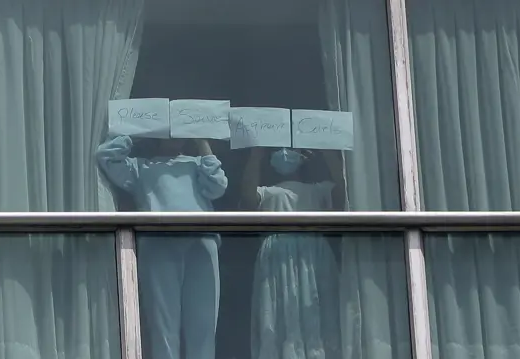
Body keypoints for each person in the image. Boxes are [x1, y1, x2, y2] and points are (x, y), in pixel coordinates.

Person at [96, 133, 228, 359]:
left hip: (201, 240)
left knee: (203, 326)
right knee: (163, 325)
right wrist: (135, 133)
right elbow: (106, 156)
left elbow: (218, 186)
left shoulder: (195, 164)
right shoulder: (140, 167)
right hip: (159, 242)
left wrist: (201, 141)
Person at [241, 147, 345, 359]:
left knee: (316, 311)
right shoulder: (267, 192)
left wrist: (325, 151)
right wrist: (257, 154)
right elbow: (247, 195)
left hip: (312, 255)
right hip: (279, 256)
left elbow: (344, 188)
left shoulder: (318, 190)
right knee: (279, 314)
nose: (285, 153)